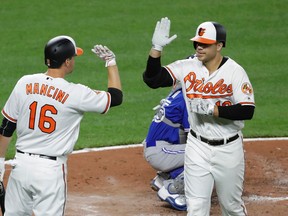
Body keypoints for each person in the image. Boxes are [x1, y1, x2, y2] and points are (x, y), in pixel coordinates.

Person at [143, 17, 255, 216]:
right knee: (195, 208)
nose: (199, 48)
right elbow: (153, 79)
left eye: (205, 44)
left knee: (231, 208)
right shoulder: (187, 67)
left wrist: (215, 110)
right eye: (197, 43)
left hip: (228, 148)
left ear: (219, 46)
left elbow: (247, 109)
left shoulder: (235, 72)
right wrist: (156, 49)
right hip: (197, 147)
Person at [0, 35, 123, 215]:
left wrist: (0, 164)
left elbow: (6, 126)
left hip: (20, 166)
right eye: (73, 57)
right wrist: (111, 62)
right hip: (49, 172)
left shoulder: (24, 82)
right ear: (67, 62)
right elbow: (116, 98)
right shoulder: (76, 93)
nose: (74, 61)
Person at [143, 85, 189, 211]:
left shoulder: (179, 94)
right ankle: (172, 189)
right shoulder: (187, 99)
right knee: (207, 151)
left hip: (157, 148)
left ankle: (165, 177)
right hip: (161, 152)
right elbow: (194, 136)